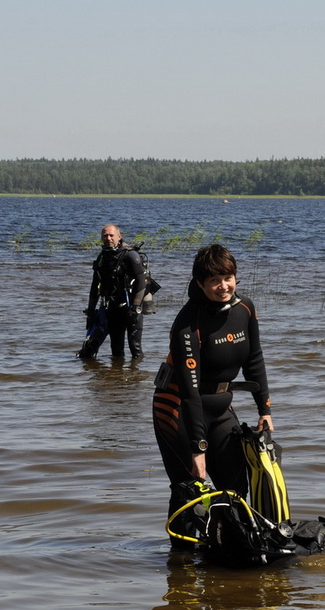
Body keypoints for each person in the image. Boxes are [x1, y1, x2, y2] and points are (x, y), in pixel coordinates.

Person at [152, 244, 273, 544]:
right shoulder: (187, 324)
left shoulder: (245, 308)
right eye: (214, 282)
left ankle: (226, 552)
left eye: (228, 278)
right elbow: (190, 391)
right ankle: (180, 566)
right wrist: (198, 449)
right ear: (200, 284)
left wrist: (265, 410)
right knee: (190, 489)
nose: (224, 287)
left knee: (235, 487)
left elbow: (254, 360)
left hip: (221, 408)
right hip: (178, 410)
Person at [84, 224, 147, 359]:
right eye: (105, 235)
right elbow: (95, 286)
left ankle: (136, 378)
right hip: (113, 308)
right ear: (101, 238)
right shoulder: (102, 258)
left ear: (119, 236)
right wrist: (90, 311)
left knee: (135, 348)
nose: (108, 238)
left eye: (111, 235)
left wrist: (135, 307)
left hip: (132, 307)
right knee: (116, 350)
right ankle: (116, 379)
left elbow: (142, 282)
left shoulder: (130, 255)